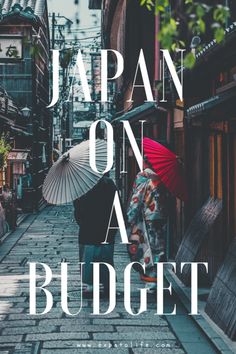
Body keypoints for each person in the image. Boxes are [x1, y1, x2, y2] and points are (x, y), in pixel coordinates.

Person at [73, 174, 119, 297]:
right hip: (106, 227)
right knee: (106, 256)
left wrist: (82, 221)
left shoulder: (82, 185)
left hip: (88, 227)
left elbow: (77, 208)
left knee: (88, 256)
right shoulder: (109, 184)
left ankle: (90, 286)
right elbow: (117, 206)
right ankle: (107, 285)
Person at [127, 162, 168, 292]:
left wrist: (130, 217)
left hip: (147, 219)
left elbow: (136, 198)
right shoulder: (164, 178)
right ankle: (157, 278)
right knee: (159, 249)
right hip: (161, 218)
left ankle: (151, 281)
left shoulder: (143, 176)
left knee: (148, 249)